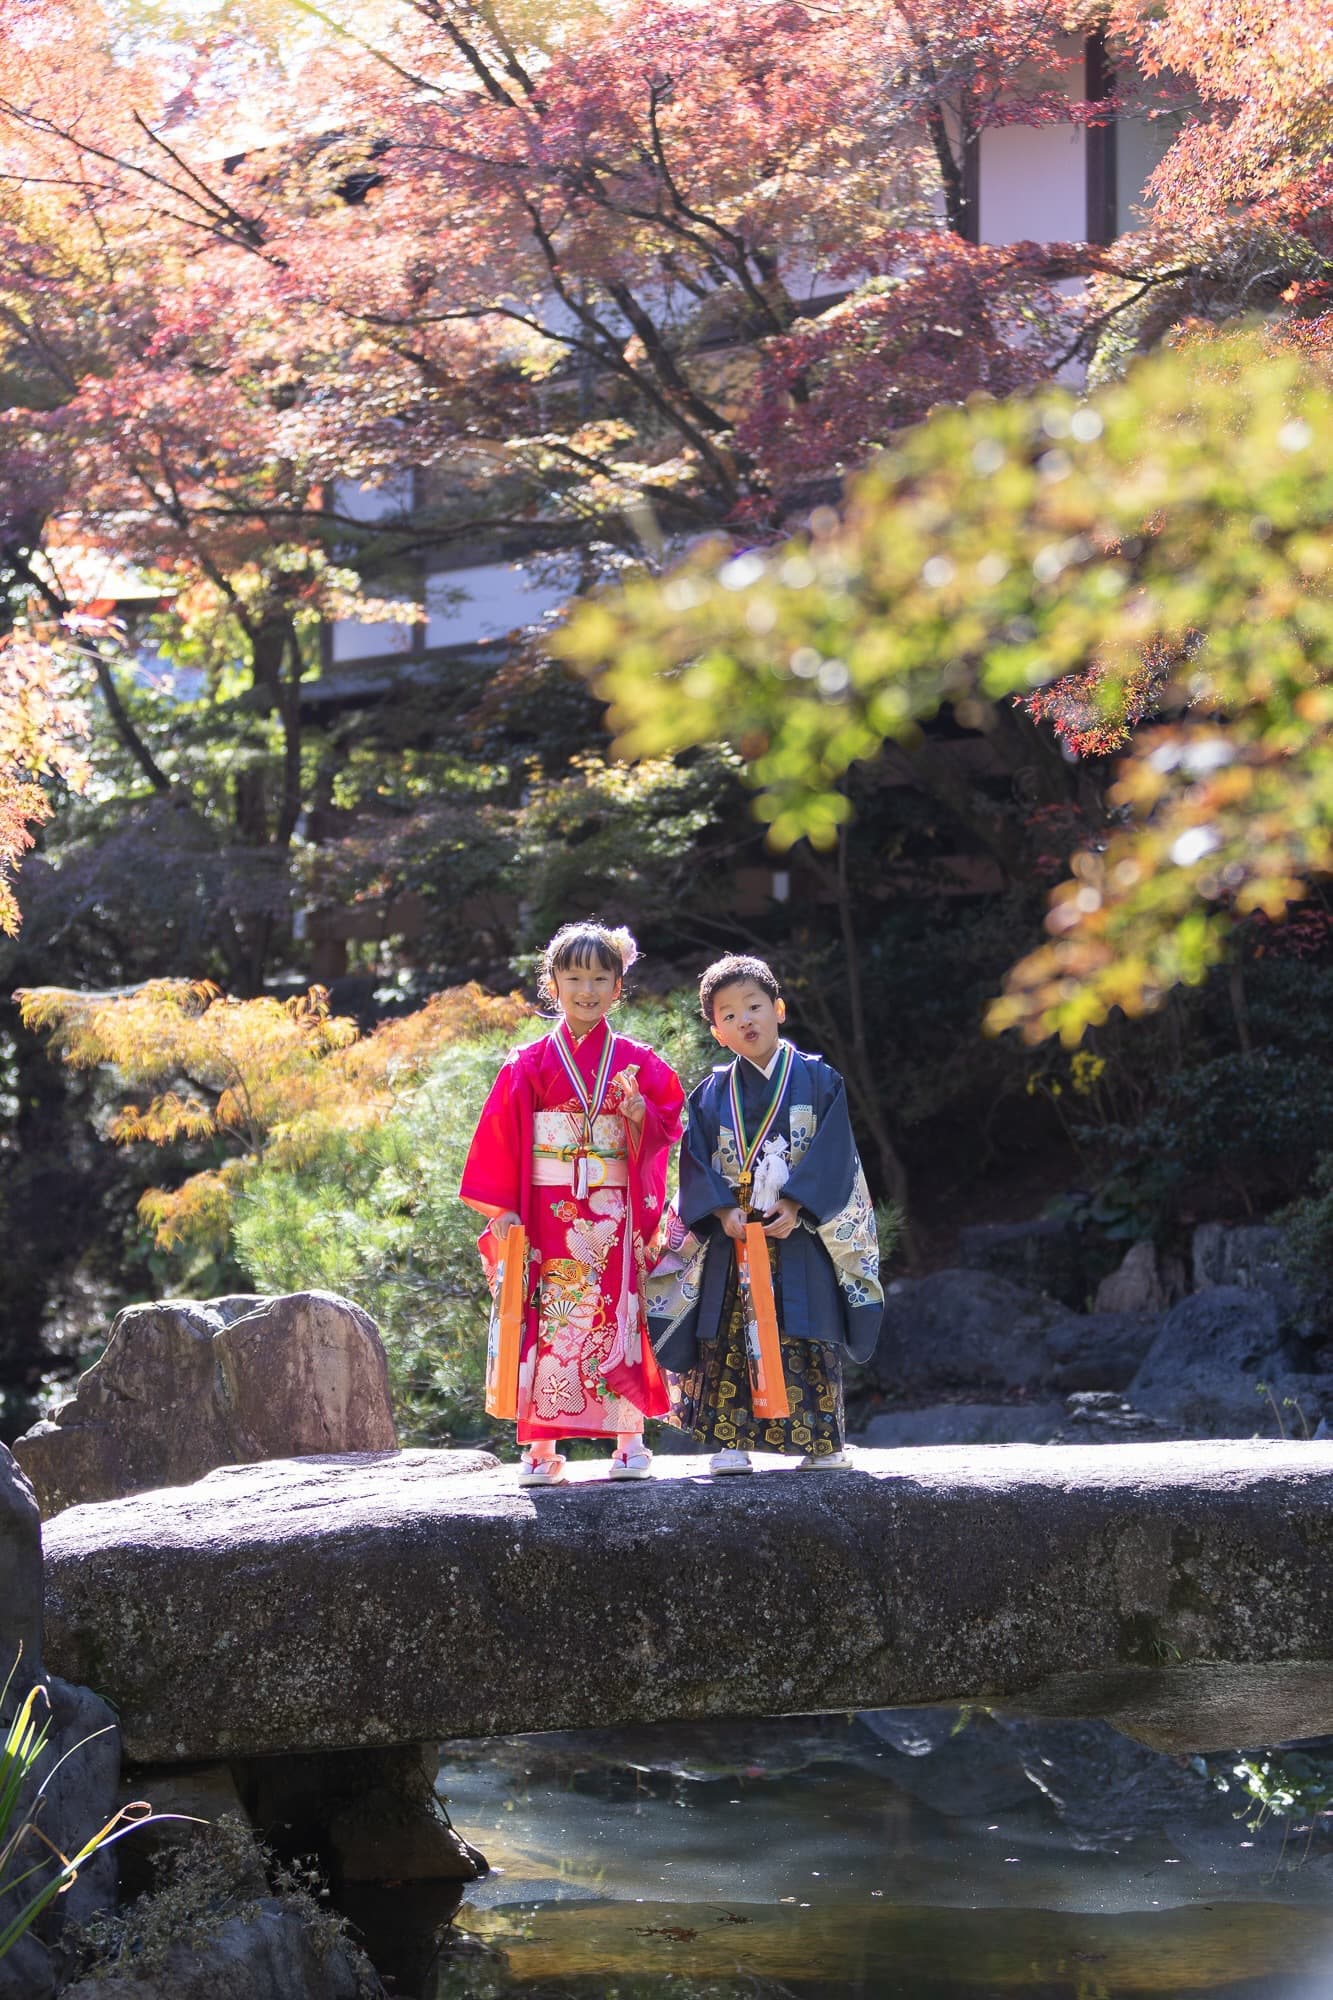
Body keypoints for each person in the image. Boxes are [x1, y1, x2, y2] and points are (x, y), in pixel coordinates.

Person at [460, 921, 685, 1486]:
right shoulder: (529, 1062)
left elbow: (670, 1121)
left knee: (619, 1319)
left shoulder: (636, 1061)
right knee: (547, 1322)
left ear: (617, 987)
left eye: (600, 978)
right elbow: (503, 1137)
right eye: (574, 976)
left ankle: (629, 1441)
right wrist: (504, 1209)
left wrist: (642, 1120)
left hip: (614, 1213)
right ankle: (541, 1448)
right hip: (546, 1213)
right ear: (552, 984)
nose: (587, 989)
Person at [647, 953, 881, 1474]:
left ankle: (821, 1441)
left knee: (806, 1328)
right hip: (734, 1235)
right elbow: (694, 1161)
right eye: (728, 1015)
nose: (744, 1020)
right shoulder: (709, 1094)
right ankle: (732, 1443)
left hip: (799, 1235)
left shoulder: (820, 1082)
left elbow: (835, 1153)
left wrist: (798, 1202)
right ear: (717, 1031)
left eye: (753, 1006)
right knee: (728, 1333)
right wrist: (722, 1210)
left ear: (779, 1008)